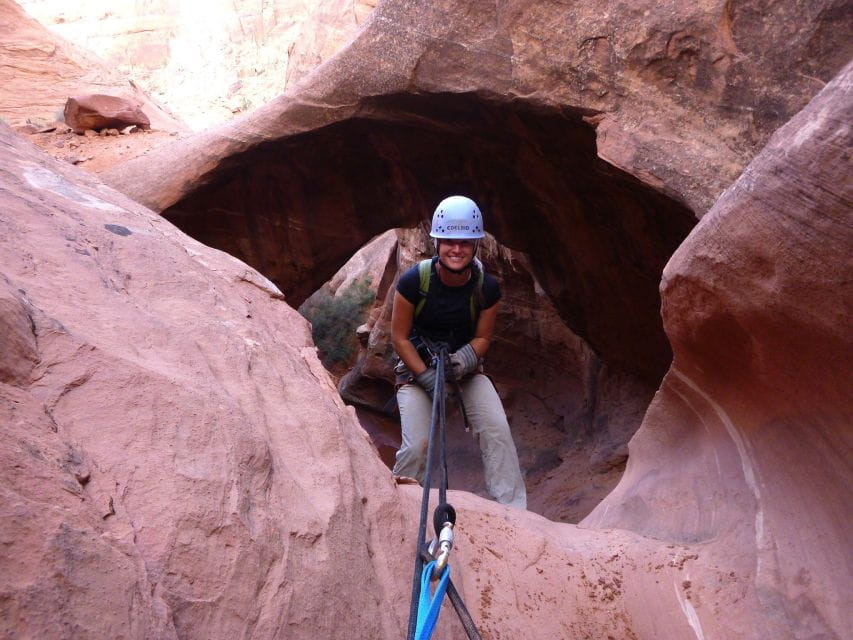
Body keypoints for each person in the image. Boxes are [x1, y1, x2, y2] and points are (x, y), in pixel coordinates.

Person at [390, 195, 527, 509]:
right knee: (417, 447)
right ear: (437, 243)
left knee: (497, 431)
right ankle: (401, 508)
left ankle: (513, 512)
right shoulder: (414, 282)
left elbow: (483, 337)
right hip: (417, 371)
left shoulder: (486, 288)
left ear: (475, 245)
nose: (456, 249)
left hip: (465, 372)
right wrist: (427, 378)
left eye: (464, 242)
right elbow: (399, 338)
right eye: (449, 241)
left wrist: (465, 359)